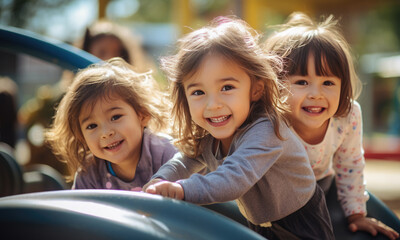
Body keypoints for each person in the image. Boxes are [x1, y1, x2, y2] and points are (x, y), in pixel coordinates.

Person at [143, 16, 334, 240]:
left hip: (301, 221)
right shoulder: (209, 133)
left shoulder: (266, 130)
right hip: (260, 221)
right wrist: (159, 180)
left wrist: (182, 190)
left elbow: (233, 178)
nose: (213, 104)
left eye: (227, 87)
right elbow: (185, 160)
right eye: (198, 92)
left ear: (255, 90)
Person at [264, 12, 400, 240]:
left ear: (342, 85)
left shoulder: (347, 115)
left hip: (320, 187)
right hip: (272, 194)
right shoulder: (270, 120)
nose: (316, 94)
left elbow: (350, 164)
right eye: (302, 82)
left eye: (327, 82)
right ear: (276, 85)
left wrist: (356, 214)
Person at [18, 20, 156, 177]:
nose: (111, 59)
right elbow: (28, 117)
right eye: (102, 52)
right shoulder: (65, 99)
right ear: (85, 52)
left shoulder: (136, 99)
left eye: (119, 53)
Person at [45, 58, 177, 190]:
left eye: (115, 117)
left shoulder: (167, 154)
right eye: (92, 126)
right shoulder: (90, 174)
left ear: (142, 114)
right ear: (81, 136)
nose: (106, 132)